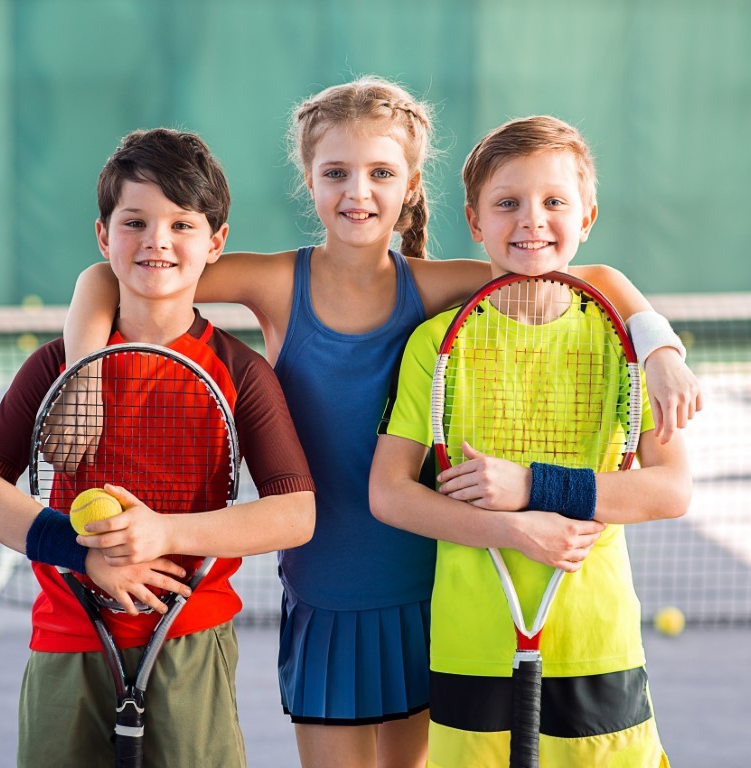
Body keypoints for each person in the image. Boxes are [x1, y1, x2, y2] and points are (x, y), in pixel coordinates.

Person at [61, 78, 700, 767]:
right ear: (308, 179)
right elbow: (108, 276)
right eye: (335, 172)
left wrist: (659, 346)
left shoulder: (433, 286)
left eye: (380, 173)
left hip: (431, 597)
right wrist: (84, 373)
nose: (356, 192)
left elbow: (585, 275)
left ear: (409, 185)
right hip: (323, 592)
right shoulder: (276, 282)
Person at [0, 128, 316, 768]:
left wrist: (163, 534)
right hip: (70, 637)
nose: (157, 241)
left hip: (190, 639)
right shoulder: (58, 366)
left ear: (216, 242)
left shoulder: (240, 371)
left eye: (182, 223)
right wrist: (81, 554)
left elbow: (296, 514)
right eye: (135, 222)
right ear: (104, 237)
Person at [369, 115, 692, 766]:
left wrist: (529, 487)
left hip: (598, 642)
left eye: (553, 202)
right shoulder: (435, 346)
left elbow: (670, 489)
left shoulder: (626, 347)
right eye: (507, 203)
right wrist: (513, 529)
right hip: (471, 644)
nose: (531, 221)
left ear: (587, 216)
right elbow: (388, 494)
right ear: (475, 221)